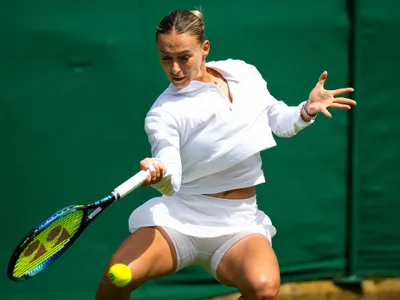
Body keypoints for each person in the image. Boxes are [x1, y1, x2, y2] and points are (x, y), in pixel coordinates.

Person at [95, 9, 356, 300]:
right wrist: (160, 173)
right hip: (179, 219)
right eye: (165, 58)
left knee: (264, 289)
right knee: (115, 278)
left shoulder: (243, 73)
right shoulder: (163, 113)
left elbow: (279, 120)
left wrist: (306, 110)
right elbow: (171, 180)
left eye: (184, 57)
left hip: (239, 222)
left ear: (204, 48)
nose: (175, 69)